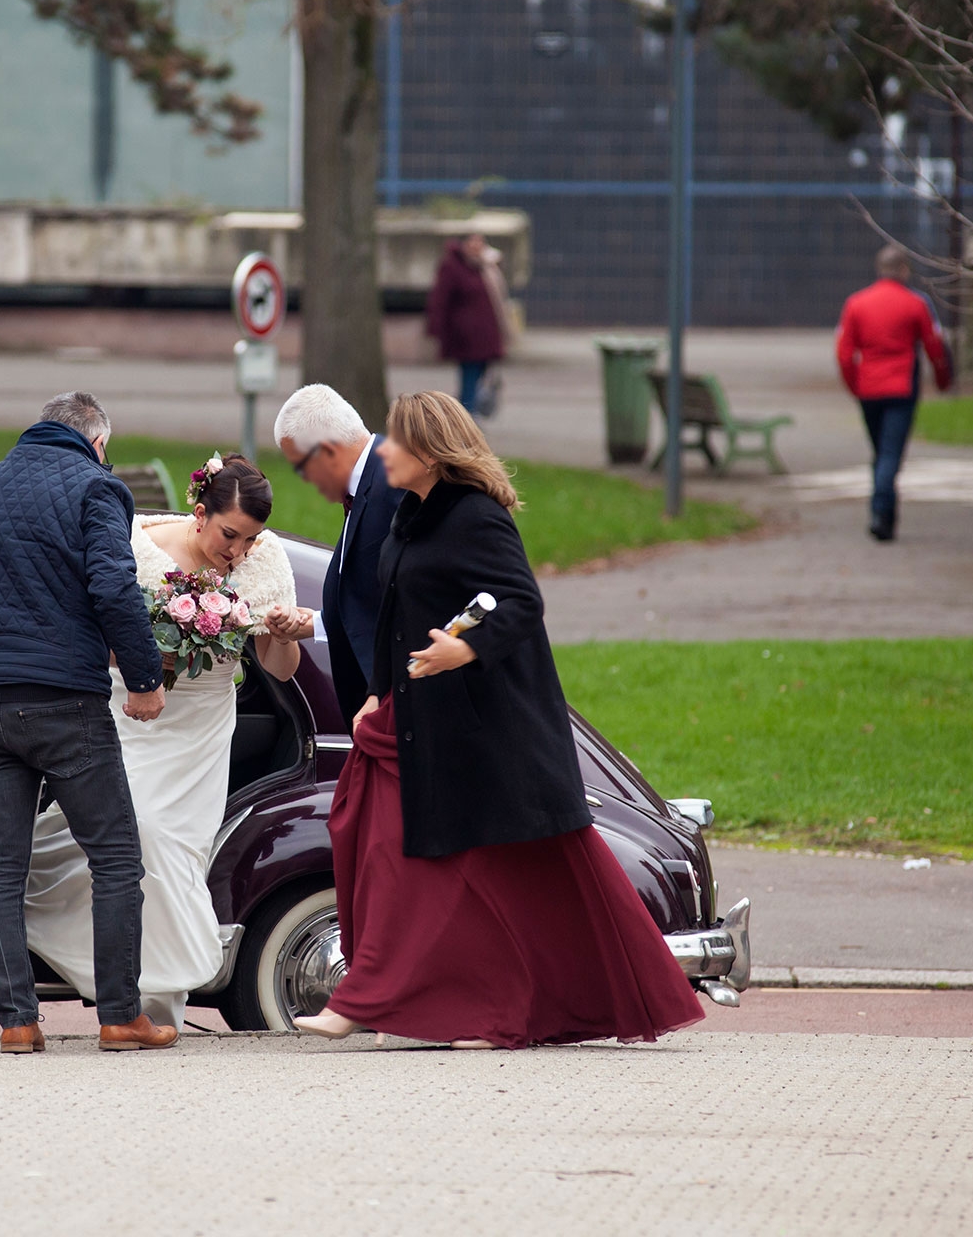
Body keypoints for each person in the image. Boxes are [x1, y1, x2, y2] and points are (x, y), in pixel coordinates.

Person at [294, 391, 706, 1049]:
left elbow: (519, 600)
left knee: (524, 870)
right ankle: (441, 1007)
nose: (386, 451)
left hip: (487, 729)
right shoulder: (411, 515)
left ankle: (413, 1005)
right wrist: (377, 691)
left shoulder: (475, 516)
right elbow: (395, 616)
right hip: (425, 722)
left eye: (397, 442)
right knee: (409, 856)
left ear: (429, 453)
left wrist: (465, 646)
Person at [25, 454, 302, 1031]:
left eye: (250, 540)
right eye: (231, 535)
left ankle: (155, 1005)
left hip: (202, 727)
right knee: (139, 830)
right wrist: (153, 656)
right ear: (200, 514)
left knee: (177, 849)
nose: (240, 552)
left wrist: (282, 634)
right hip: (134, 714)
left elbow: (278, 669)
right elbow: (90, 637)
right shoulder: (137, 548)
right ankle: (138, 987)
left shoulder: (265, 563)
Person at [0, 391, 178, 1054]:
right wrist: (145, 679)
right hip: (63, 700)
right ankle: (121, 1016)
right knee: (115, 857)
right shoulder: (97, 488)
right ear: (96, 442)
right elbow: (111, 586)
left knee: (0, 866)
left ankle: (17, 1022)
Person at [264, 384, 406, 721]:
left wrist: (381, 695)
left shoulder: (397, 481)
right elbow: (370, 594)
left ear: (327, 451)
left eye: (301, 467)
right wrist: (314, 623)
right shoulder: (371, 480)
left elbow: (409, 602)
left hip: (395, 707)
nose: (305, 481)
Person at [836, 244, 954, 542]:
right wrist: (942, 381)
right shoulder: (916, 304)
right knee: (890, 453)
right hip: (901, 387)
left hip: (868, 388)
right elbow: (934, 346)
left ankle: (885, 514)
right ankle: (881, 513)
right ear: (904, 270)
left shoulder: (856, 303)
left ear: (879, 269)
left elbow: (844, 352)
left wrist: (854, 385)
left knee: (880, 451)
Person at [425, 231, 510, 415]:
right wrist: (435, 330)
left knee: (480, 374)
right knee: (469, 376)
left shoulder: (485, 266)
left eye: (480, 242)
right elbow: (440, 300)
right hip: (465, 336)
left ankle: (466, 412)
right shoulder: (452, 267)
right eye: (472, 241)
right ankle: (466, 414)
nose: (477, 246)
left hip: (486, 335)